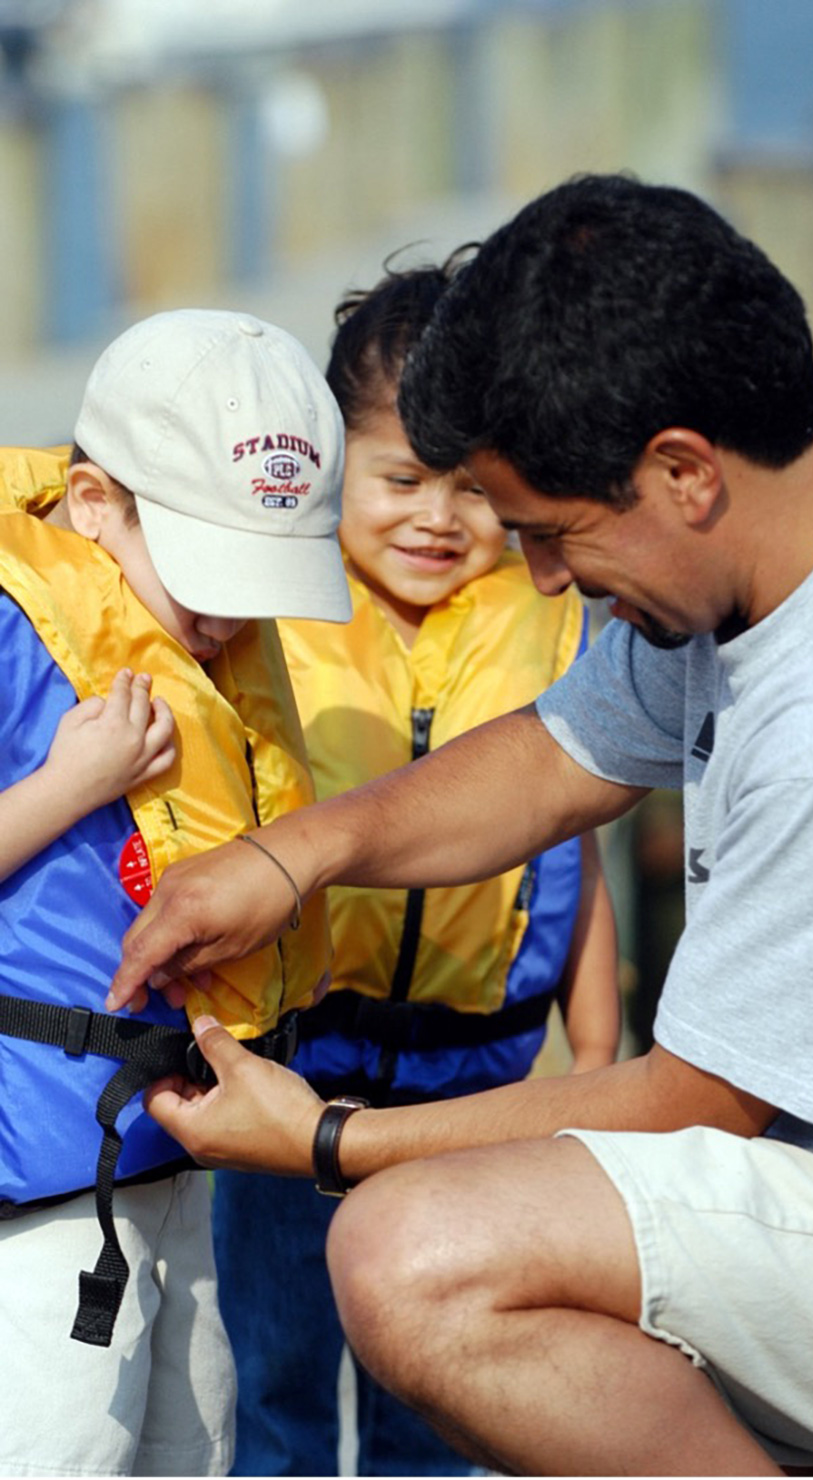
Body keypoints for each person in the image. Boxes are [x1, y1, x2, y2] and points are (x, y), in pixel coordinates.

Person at [109, 176, 813, 1477]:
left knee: (414, 1255)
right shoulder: (762, 559)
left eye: (550, 536)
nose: (546, 582)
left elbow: (695, 1100)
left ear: (683, 471)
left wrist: (328, 1141)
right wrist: (292, 854)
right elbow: (556, 754)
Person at [211, 254, 620, 1478]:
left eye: (472, 489)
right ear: (332, 462)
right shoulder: (267, 617)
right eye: (398, 479)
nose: (437, 519)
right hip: (292, 1071)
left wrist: (597, 1055)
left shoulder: (556, 621)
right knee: (272, 1381)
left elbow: (575, 849)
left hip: (472, 1089)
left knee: (438, 1393)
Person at [0, 309, 349, 1478]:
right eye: (207, 571)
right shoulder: (13, 630)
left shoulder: (214, 642)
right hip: (41, 1200)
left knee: (195, 1444)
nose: (228, 615)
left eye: (258, 579)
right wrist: (68, 786)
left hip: (179, 1167)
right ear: (94, 503)